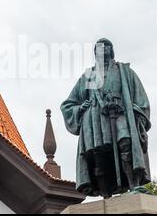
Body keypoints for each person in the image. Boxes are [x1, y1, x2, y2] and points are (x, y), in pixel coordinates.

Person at [61, 38, 152, 198]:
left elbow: (140, 97)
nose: (104, 49)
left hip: (121, 113)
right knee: (98, 155)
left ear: (112, 50)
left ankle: (133, 185)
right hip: (95, 119)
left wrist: (137, 113)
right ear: (95, 52)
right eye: (100, 47)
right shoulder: (89, 76)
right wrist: (80, 108)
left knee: (126, 142)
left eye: (107, 46)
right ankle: (105, 194)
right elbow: (68, 104)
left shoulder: (123, 71)